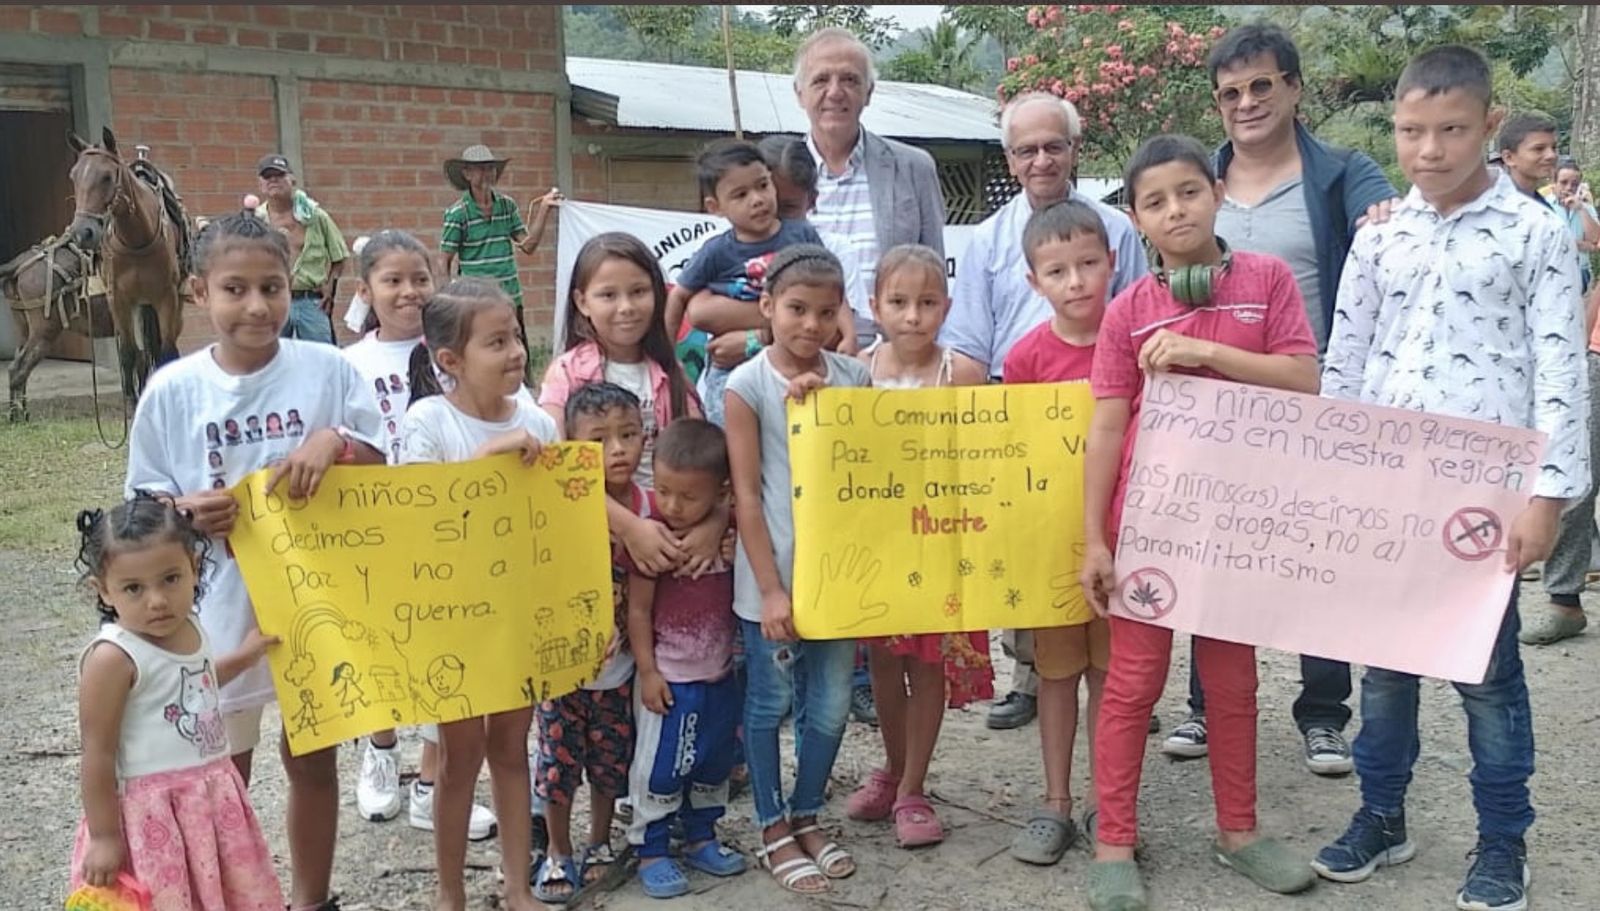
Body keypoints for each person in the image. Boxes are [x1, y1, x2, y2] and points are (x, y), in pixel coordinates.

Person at [1315, 46, 1589, 911]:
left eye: (1450, 131)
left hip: (1486, 497)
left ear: (1491, 126)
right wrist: (1334, 471)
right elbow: (1347, 360)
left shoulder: (1536, 233)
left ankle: (1503, 839)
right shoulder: (1381, 234)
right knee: (1386, 667)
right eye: (1410, 131)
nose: (1428, 150)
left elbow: (1560, 370)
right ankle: (1381, 813)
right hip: (1390, 488)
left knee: (1487, 675)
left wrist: (1548, 497)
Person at [1080, 135, 1322, 910]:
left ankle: (1240, 832)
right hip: (1150, 529)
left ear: (1216, 192)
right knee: (1131, 686)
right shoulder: (1127, 311)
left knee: (1232, 681)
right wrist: (1095, 535)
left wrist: (1202, 352)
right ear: (1135, 218)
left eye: (1188, 192)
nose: (1174, 210)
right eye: (1155, 201)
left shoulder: (1267, 279)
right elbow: (1108, 428)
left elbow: (1302, 378)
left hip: (1237, 528)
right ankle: (1114, 839)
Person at [125, 212, 385, 911]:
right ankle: (229, 899)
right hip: (214, 612)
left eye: (271, 287)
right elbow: (139, 506)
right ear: (197, 290)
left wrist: (336, 441)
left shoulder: (329, 370)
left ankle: (311, 898)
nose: (256, 306)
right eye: (234, 289)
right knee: (218, 771)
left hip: (315, 601)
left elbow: (384, 459)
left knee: (313, 759)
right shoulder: (173, 390)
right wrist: (182, 511)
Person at [1163, 22, 1400, 776]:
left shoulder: (1341, 174)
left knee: (1314, 560)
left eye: (1263, 84)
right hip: (1215, 406)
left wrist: (1382, 221)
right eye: (1231, 91)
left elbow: (1385, 221)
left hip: (1312, 396)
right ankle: (1204, 706)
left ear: (1295, 88)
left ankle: (1323, 714)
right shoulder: (1199, 179)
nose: (1248, 101)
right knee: (1213, 560)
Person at [939, 91, 1147, 732]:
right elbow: (971, 345)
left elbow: (1136, 312)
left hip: (1108, 407)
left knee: (1108, 547)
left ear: (1074, 150)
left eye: (1053, 145)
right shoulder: (985, 241)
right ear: (1009, 158)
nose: (1041, 159)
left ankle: (1121, 684)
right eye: (1026, 149)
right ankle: (1030, 677)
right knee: (1037, 558)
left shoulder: (1116, 231)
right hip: (1022, 411)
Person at [399, 277, 559, 911]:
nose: (516, 351)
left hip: (518, 615)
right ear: (450, 361)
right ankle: (450, 892)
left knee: (513, 749)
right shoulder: (429, 422)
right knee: (460, 755)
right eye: (497, 341)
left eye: (516, 335)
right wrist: (492, 456)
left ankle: (517, 886)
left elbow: (558, 523)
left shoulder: (541, 420)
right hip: (454, 619)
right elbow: (418, 518)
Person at [338, 229, 498, 840]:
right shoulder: (348, 365)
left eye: (420, 279)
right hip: (376, 536)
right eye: (392, 280)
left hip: (453, 538)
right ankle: (380, 754)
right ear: (366, 291)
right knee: (381, 649)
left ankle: (434, 783)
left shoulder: (459, 351)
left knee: (444, 658)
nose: (409, 292)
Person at [726, 245, 871, 895]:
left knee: (833, 704)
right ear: (767, 307)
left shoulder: (854, 379)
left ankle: (808, 811)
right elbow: (747, 496)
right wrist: (772, 589)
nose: (810, 325)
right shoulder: (747, 384)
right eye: (795, 309)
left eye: (823, 311)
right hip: (772, 578)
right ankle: (770, 823)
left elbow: (869, 474)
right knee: (771, 700)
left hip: (840, 576)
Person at [842, 244, 992, 849]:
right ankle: (891, 763)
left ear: (946, 307)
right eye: (898, 302)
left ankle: (914, 785)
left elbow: (989, 459)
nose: (912, 316)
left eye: (927, 303)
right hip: (878, 542)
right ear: (874, 305)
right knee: (883, 661)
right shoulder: (854, 370)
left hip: (941, 542)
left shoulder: (965, 373)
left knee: (929, 664)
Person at [71, 494, 283, 911]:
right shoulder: (112, 658)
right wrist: (104, 837)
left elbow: (192, 684)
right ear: (104, 590)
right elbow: (97, 753)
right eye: (134, 588)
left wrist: (243, 657)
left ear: (195, 567)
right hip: (151, 817)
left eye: (170, 578)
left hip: (209, 803)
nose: (157, 600)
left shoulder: (191, 627)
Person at [998, 200, 1116, 863]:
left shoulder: (1134, 343)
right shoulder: (1024, 359)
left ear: (1113, 263)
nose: (1076, 282)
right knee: (1055, 674)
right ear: (1033, 280)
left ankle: (1108, 798)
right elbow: (1010, 457)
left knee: (1111, 674)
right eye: (1058, 270)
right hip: (1050, 548)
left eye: (1089, 264)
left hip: (1120, 547)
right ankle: (1056, 802)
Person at [541, 232, 729, 578]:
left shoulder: (673, 376)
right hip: (595, 543)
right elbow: (553, 468)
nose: (626, 307)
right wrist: (629, 527)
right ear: (582, 302)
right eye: (608, 295)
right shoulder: (566, 375)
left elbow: (711, 462)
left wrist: (715, 522)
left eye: (639, 292)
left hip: (672, 546)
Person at [530, 382, 645, 904]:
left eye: (628, 434)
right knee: (557, 764)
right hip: (559, 671)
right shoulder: (556, 507)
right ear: (572, 446)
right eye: (599, 440)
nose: (617, 449)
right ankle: (558, 849)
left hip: (618, 671)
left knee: (608, 762)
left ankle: (599, 842)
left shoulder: (650, 503)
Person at [625, 418, 749, 898]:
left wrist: (722, 522)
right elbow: (638, 610)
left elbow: (746, 499)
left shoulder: (731, 531)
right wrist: (649, 672)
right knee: (660, 766)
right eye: (663, 491)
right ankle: (651, 848)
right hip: (671, 680)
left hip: (720, 674)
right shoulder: (655, 539)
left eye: (688, 497)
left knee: (713, 762)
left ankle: (701, 835)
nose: (672, 506)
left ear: (719, 491)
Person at [794, 27, 947, 348]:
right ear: (799, 93)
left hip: (888, 356)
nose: (835, 92)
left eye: (849, 80)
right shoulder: (773, 174)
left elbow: (934, 275)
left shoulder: (913, 167)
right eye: (821, 80)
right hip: (796, 357)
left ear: (869, 92)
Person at [672, 139, 824, 427]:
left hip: (797, 371)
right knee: (733, 441)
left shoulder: (805, 237)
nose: (758, 201)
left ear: (812, 199)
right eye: (741, 194)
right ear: (715, 206)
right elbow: (692, 307)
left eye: (764, 187)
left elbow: (831, 308)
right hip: (729, 371)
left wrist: (757, 338)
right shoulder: (717, 251)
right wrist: (668, 360)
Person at [439, 144, 562, 365]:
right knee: (482, 351)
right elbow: (444, 260)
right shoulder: (458, 213)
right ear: (467, 174)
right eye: (479, 169)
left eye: (490, 168)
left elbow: (528, 245)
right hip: (475, 299)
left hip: (510, 294)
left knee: (517, 353)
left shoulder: (506, 206)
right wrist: (449, 299)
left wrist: (544, 208)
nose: (486, 173)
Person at [760, 134, 864, 353]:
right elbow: (703, 313)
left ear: (812, 200)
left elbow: (839, 334)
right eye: (765, 206)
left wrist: (752, 340)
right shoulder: (724, 247)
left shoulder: (834, 252)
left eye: (787, 208)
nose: (774, 219)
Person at [255, 154, 349, 344]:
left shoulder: (315, 216)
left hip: (311, 301)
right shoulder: (256, 221)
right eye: (267, 176)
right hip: (272, 300)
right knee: (270, 361)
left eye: (279, 175)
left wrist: (330, 289)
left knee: (323, 361)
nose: (273, 180)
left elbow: (340, 256)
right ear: (260, 184)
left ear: (292, 180)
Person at [1545, 158, 1600, 293]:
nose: (1569, 188)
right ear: (1554, 182)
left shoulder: (1585, 207)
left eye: (1574, 184)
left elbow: (1596, 240)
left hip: (1580, 270)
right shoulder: (1544, 206)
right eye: (1563, 183)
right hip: (1552, 271)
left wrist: (1580, 209)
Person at [1496, 111, 1562, 210]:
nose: (1551, 155)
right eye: (1539, 149)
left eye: (1554, 148)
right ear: (1508, 158)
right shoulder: (1495, 207)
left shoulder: (1542, 205)